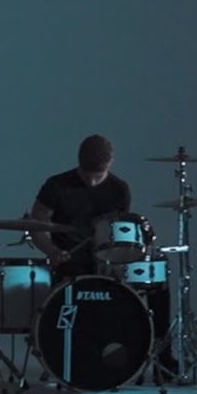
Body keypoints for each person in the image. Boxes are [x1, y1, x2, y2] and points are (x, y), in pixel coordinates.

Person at [29, 135, 176, 373]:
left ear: (110, 163)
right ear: (78, 162)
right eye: (87, 176)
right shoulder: (56, 186)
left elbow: (120, 233)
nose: (92, 181)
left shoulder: (119, 189)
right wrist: (53, 251)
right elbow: (36, 226)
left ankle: (163, 357)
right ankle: (63, 356)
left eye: (98, 176)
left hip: (110, 262)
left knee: (158, 283)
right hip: (70, 261)